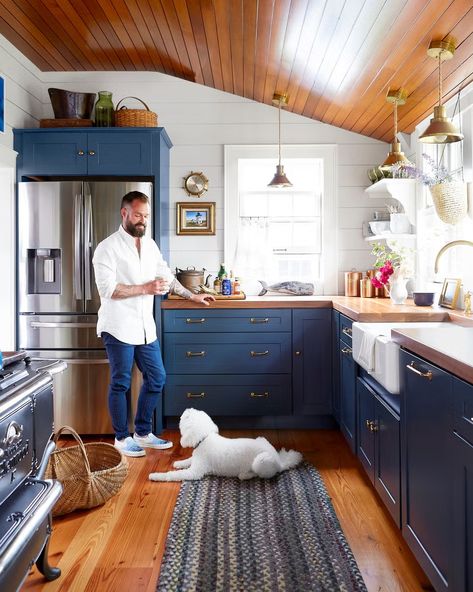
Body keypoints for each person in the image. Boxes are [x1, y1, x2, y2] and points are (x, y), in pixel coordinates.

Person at [93, 191, 215, 457]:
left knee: (157, 377)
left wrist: (192, 295)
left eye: (146, 216)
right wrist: (145, 287)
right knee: (121, 383)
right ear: (124, 213)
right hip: (118, 326)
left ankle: (143, 432)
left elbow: (166, 276)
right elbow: (107, 289)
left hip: (145, 327)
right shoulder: (107, 248)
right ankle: (122, 438)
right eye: (138, 215)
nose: (142, 221)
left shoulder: (149, 244)